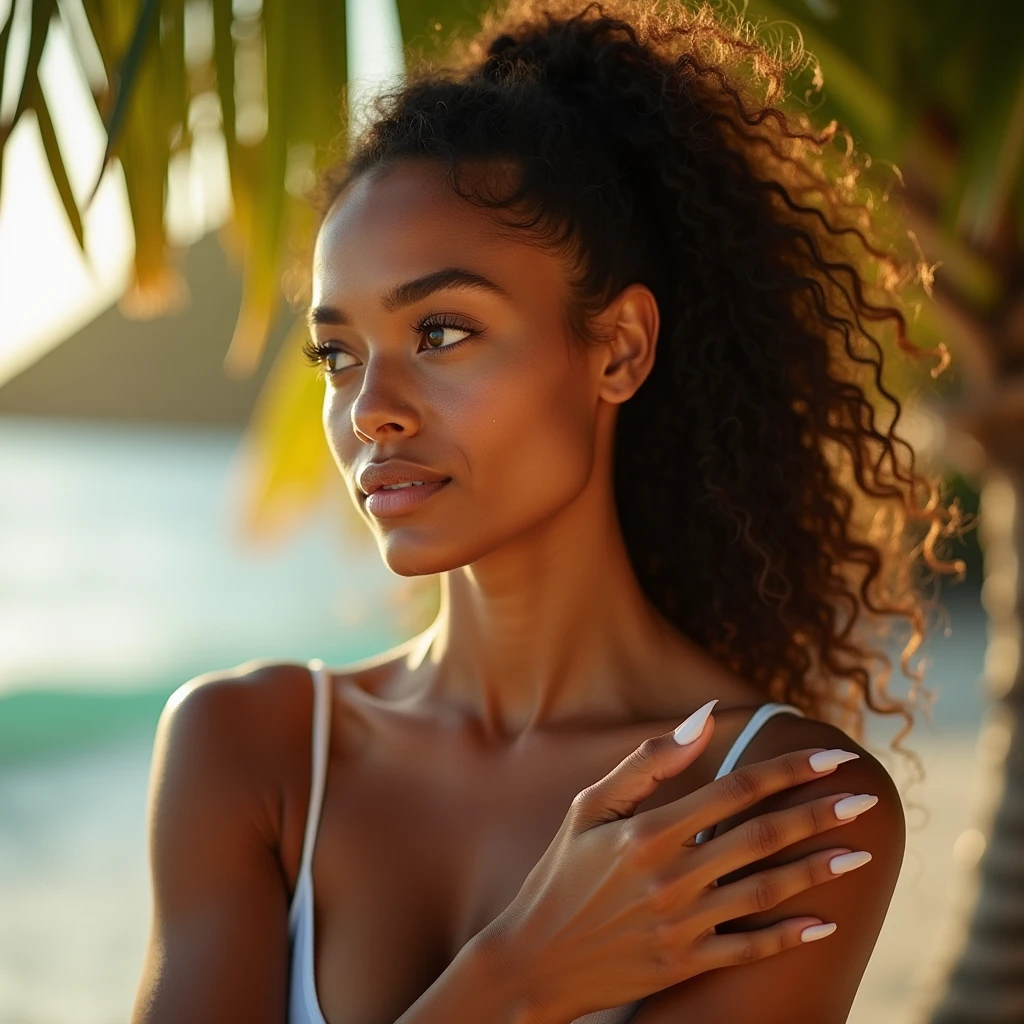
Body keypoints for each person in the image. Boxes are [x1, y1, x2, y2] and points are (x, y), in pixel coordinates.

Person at [131, 1, 968, 1022]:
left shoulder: (776, 807)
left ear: (616, 348)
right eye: (336, 353)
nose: (369, 410)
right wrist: (514, 983)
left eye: (440, 330)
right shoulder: (248, 749)